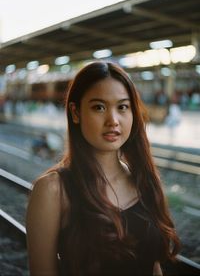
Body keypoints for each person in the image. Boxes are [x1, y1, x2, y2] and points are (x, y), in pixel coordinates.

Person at [26, 61, 180, 276]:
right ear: (76, 112)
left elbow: (154, 267)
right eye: (99, 107)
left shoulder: (145, 182)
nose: (113, 121)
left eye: (122, 107)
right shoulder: (52, 190)